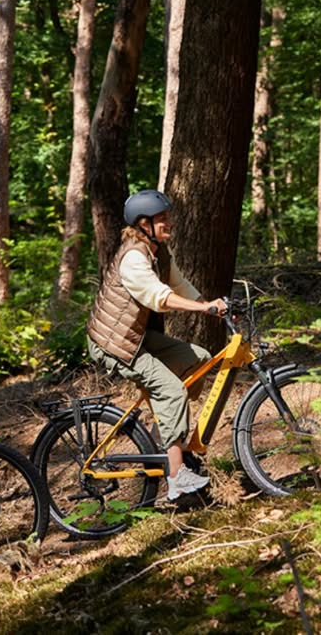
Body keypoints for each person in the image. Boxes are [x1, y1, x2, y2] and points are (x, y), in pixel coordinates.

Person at [87, 189, 227, 501]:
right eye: (163, 219)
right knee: (171, 389)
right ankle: (177, 479)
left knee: (199, 359)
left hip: (132, 337)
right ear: (143, 223)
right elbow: (159, 297)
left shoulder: (157, 250)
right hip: (113, 342)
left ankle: (168, 433)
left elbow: (179, 285)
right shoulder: (134, 258)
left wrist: (209, 304)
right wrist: (203, 310)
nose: (170, 224)